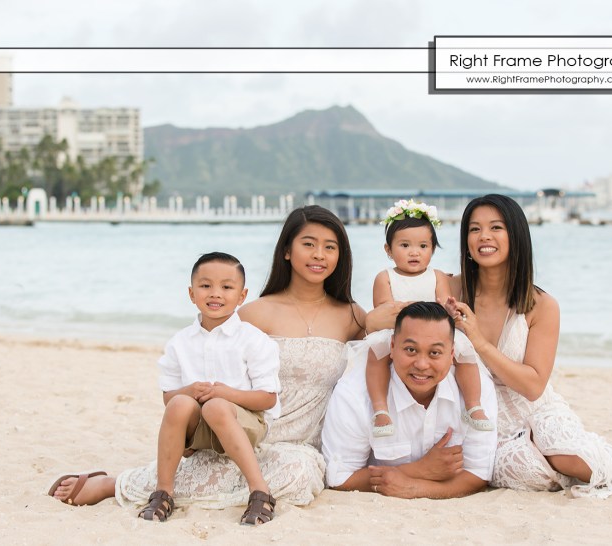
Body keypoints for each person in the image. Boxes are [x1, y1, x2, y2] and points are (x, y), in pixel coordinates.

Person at [368, 194, 612, 498]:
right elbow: (397, 296)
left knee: (563, 454)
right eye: (475, 229)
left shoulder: (542, 305)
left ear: (515, 236)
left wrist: (480, 342)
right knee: (533, 472)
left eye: (496, 227)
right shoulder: (444, 289)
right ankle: (604, 460)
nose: (484, 236)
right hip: (480, 414)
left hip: (533, 407)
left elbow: (533, 386)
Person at [49, 205, 366, 513]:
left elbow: (387, 361)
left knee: (298, 476)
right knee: (220, 467)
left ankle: (121, 483)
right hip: (240, 431)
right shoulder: (253, 313)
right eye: (308, 244)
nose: (319, 255)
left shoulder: (352, 316)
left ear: (341, 255)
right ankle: (115, 484)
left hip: (302, 447)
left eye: (330, 247)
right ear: (286, 250)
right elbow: (212, 370)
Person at [139, 252, 282, 524]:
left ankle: (261, 491)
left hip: (245, 422)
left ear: (242, 296)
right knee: (179, 403)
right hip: (200, 430)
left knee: (216, 406)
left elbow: (267, 398)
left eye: (227, 287)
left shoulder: (253, 339)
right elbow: (168, 396)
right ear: (192, 294)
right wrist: (190, 390)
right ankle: (164, 492)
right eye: (206, 286)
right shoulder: (180, 342)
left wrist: (225, 393)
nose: (215, 294)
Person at [322, 301, 497, 498]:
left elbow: (478, 473)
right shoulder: (354, 393)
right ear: (392, 347)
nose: (422, 364)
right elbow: (340, 478)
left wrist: (416, 488)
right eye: (411, 350)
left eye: (435, 353)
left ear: (452, 354)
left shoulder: (475, 390)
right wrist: (419, 470)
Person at [363, 199, 492, 437]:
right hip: (398, 331)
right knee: (376, 354)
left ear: (432, 249)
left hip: (434, 331)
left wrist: (451, 311)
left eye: (423, 246)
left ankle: (473, 404)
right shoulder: (385, 277)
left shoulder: (438, 276)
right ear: (388, 250)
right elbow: (384, 311)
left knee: (466, 353)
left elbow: (443, 304)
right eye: (404, 245)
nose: (414, 252)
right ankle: (381, 410)